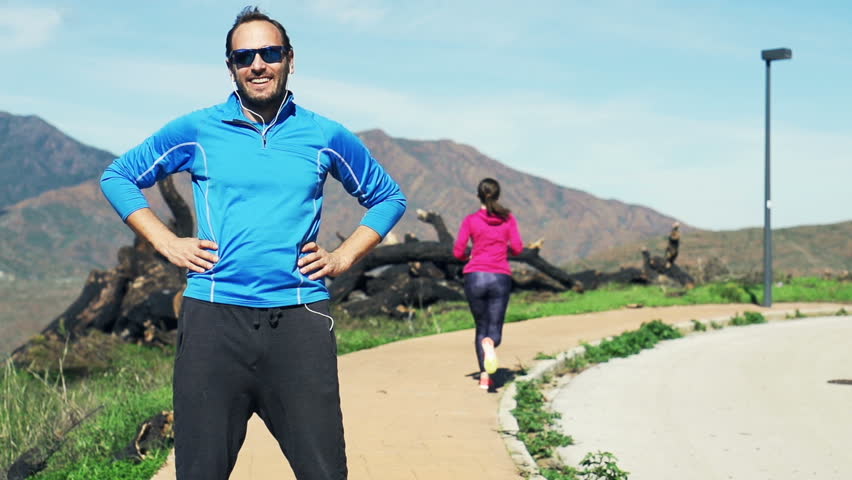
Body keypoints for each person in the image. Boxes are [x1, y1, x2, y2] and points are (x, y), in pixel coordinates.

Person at [100, 6, 406, 479]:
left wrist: (344, 255)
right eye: (244, 56)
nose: (257, 64)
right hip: (213, 324)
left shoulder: (324, 135)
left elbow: (387, 196)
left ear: (289, 59)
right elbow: (119, 176)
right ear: (230, 67)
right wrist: (166, 241)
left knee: (325, 472)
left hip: (300, 323)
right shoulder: (198, 130)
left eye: (269, 53)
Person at [453, 178, 523, 390]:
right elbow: (518, 248)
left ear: (479, 196)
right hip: (499, 276)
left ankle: (485, 376)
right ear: (498, 195)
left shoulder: (471, 220)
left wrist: (472, 256)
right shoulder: (507, 220)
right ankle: (491, 344)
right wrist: (503, 252)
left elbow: (458, 251)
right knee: (494, 331)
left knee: (480, 327)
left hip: (475, 276)